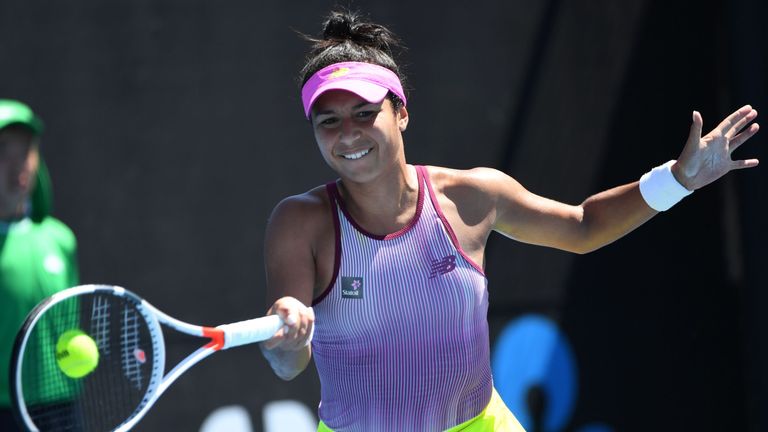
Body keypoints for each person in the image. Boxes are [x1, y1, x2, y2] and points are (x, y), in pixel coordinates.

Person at [258, 10, 760, 432]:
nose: (348, 133)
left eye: (364, 112)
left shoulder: (475, 196)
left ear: (401, 112)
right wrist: (290, 338)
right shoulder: (301, 223)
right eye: (329, 121)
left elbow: (584, 226)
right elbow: (286, 366)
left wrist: (678, 179)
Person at [0, 99, 80, 430]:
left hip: (63, 409)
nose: (17, 164)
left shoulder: (60, 239)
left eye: (26, 151)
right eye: (3, 150)